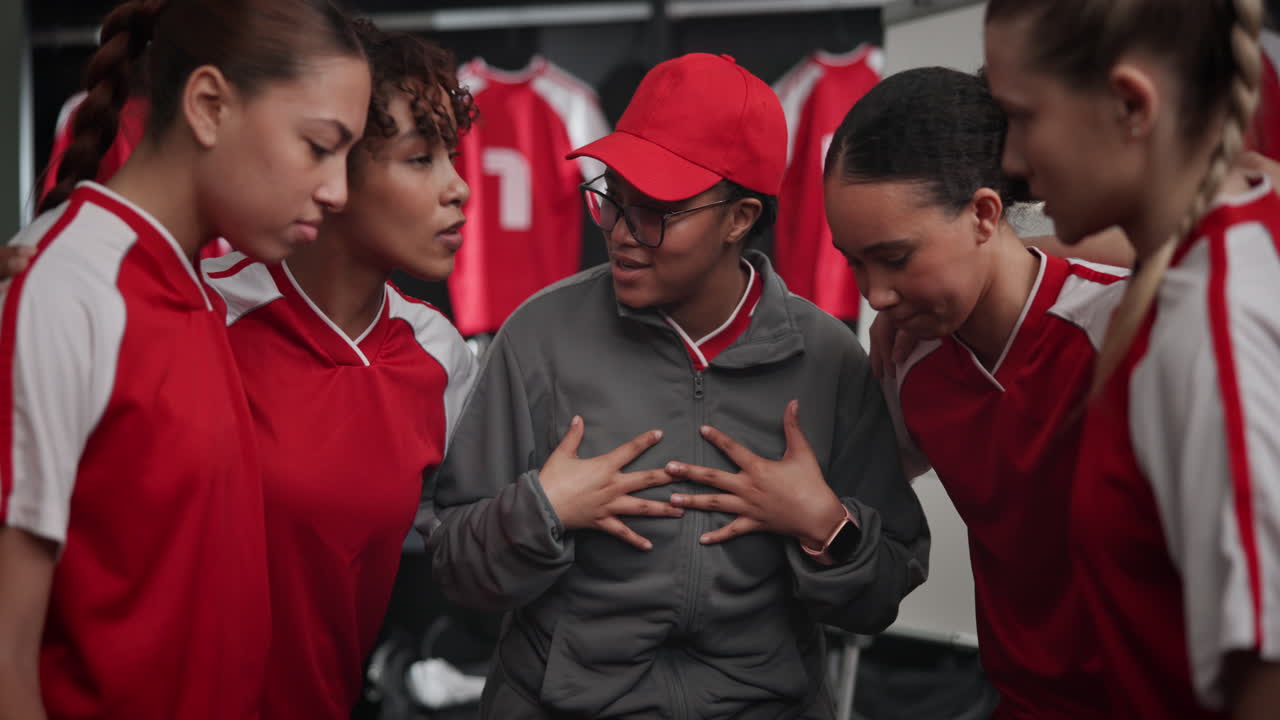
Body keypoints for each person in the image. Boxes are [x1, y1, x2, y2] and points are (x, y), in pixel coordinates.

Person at [423, 52, 929, 718]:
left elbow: (882, 593)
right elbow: (455, 565)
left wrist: (824, 525)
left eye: (656, 211)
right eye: (614, 200)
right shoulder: (539, 337)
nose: (623, 235)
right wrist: (542, 512)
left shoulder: (827, 360)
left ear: (740, 218)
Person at [0, 1, 370, 719]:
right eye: (318, 146)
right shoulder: (68, 289)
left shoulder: (196, 284)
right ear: (208, 106)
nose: (338, 191)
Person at [984, 1, 1280, 717]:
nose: (1011, 160)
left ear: (1129, 104)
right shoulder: (1217, 247)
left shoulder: (1215, 324)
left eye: (1023, 118)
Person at [824, 66, 1125, 720]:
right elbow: (866, 519)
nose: (874, 295)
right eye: (855, 262)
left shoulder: (1123, 330)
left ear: (985, 214)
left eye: (896, 258)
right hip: (1019, 701)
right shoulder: (908, 364)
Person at [200, 23, 478, 719]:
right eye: (421, 159)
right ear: (332, 169)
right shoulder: (204, 312)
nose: (459, 188)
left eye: (453, 156)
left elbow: (467, 552)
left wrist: (549, 507)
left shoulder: (438, 354)